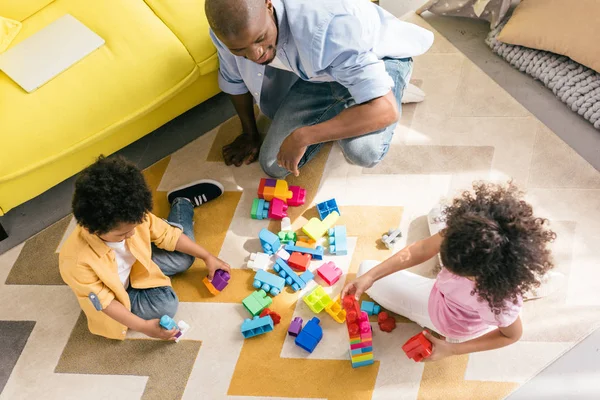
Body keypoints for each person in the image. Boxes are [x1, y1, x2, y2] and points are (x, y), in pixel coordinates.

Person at [205, 0, 434, 177]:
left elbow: (386, 111)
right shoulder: (229, 34)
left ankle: (387, 85)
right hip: (320, 75)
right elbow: (233, 79)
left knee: (363, 151)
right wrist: (249, 133)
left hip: (380, 56)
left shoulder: (327, 28)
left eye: (260, 38)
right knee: (273, 165)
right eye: (240, 50)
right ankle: (352, 104)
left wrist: (304, 136)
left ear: (268, 5)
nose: (255, 55)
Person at [342, 182, 563, 361]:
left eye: (456, 268)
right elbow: (420, 249)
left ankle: (522, 291)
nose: (445, 266)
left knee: (364, 266)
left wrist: (451, 350)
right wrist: (370, 277)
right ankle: (525, 283)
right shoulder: (467, 231)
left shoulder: (496, 301)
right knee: (437, 214)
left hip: (447, 316)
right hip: (470, 287)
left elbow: (511, 336)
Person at [59, 156, 230, 340]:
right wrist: (143, 327)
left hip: (140, 262)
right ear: (93, 228)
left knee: (186, 255)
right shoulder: (76, 261)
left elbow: (168, 235)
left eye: (135, 227)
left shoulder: (133, 215)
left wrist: (207, 256)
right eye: (123, 234)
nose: (132, 234)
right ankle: (181, 208)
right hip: (120, 295)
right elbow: (106, 302)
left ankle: (182, 202)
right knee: (166, 306)